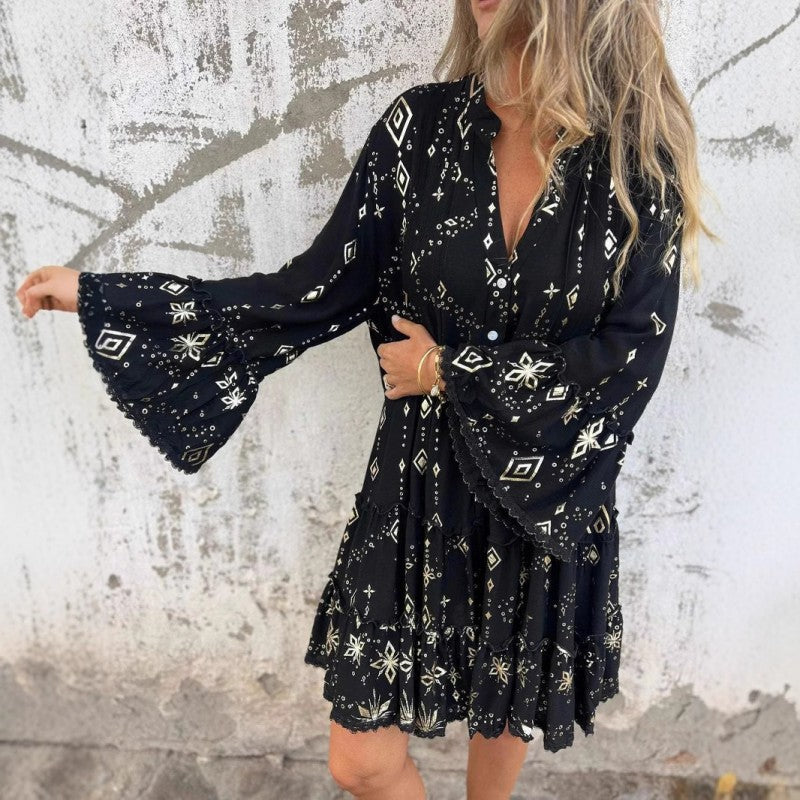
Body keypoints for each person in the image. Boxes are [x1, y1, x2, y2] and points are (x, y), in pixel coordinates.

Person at [16, 1, 712, 798]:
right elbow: (308, 292)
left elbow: (627, 364)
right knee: (362, 761)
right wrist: (107, 298)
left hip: (547, 488)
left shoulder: (636, 163)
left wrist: (447, 368)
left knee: (504, 707)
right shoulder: (420, 133)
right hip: (418, 491)